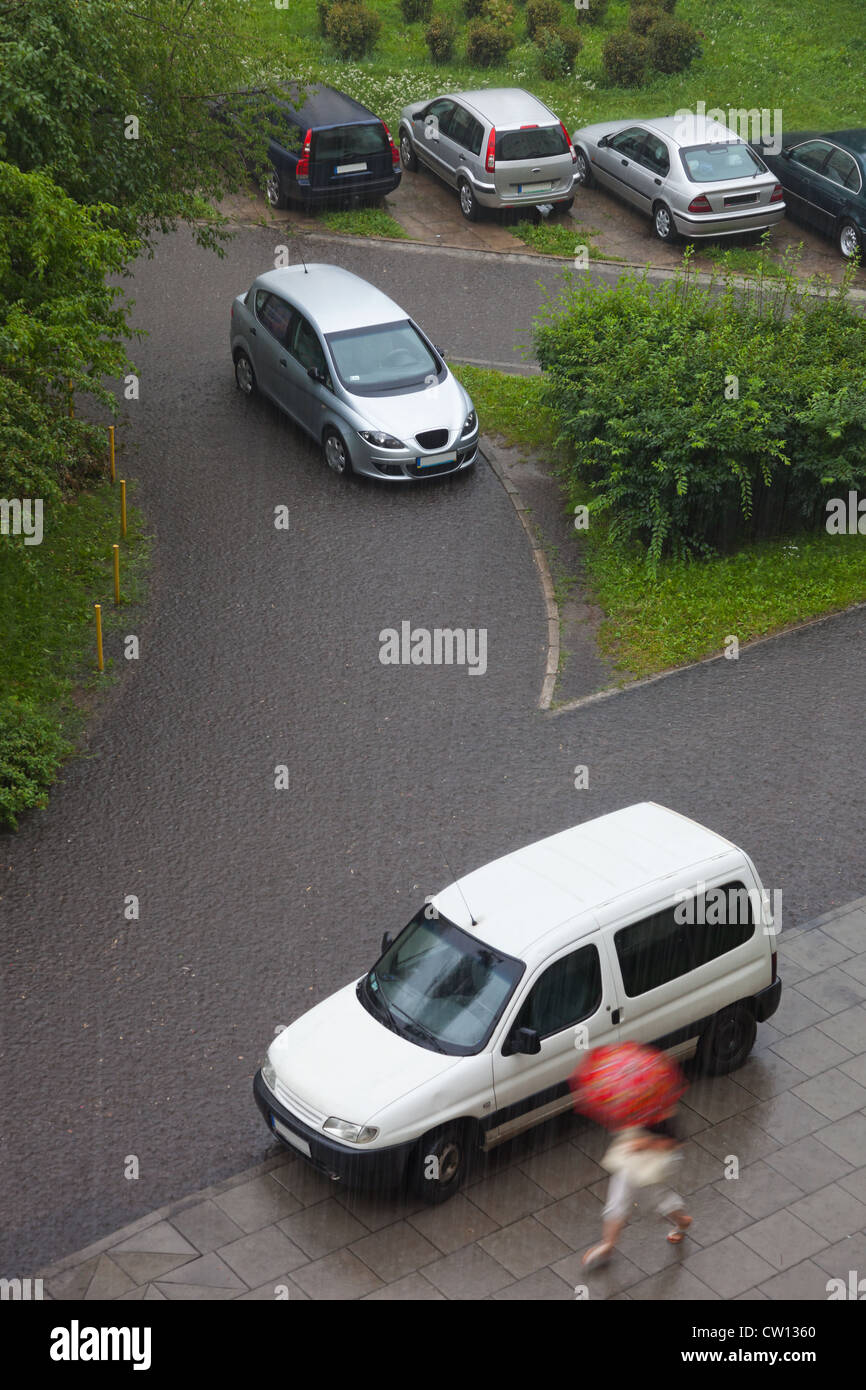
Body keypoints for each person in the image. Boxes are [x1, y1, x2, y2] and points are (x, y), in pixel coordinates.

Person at [582, 1104, 692, 1269]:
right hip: (631, 1161)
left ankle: (682, 1221)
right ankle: (608, 1244)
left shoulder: (662, 1111)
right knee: (618, 1200)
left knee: (658, 1200)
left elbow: (673, 1143)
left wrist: (646, 1143)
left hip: (652, 1166)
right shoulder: (636, 1104)